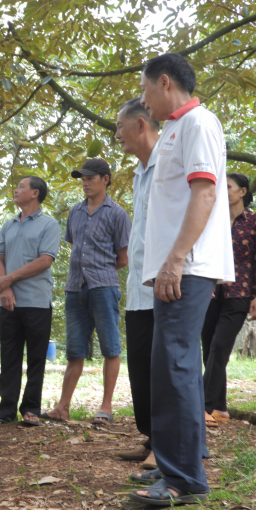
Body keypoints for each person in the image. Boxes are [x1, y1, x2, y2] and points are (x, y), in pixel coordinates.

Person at [130, 53, 233, 506]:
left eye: (145, 89)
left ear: (165, 82)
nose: (142, 99)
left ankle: (181, 479)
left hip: (188, 268)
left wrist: (175, 260)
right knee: (172, 368)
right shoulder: (173, 128)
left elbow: (206, 191)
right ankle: (179, 471)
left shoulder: (198, 124)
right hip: (173, 269)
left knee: (173, 366)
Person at [42, 159, 131, 425]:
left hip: (103, 287)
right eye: (82, 177)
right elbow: (75, 247)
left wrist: (101, 271)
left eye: (91, 177)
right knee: (74, 351)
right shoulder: (76, 212)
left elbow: (123, 258)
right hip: (74, 288)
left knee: (110, 348)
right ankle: (62, 407)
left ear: (105, 179)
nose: (85, 181)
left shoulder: (117, 214)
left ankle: (105, 406)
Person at [0, 176, 61, 426]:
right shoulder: (8, 224)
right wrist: (4, 289)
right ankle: (5, 411)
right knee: (9, 356)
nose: (16, 190)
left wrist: (9, 278)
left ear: (35, 193)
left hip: (37, 301)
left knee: (36, 358)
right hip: (9, 302)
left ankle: (31, 409)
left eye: (21, 187)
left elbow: (45, 261)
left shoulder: (49, 224)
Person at [113, 98, 159, 469]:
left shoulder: (168, 165)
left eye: (120, 128)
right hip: (138, 292)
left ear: (140, 125)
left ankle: (172, 446)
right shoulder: (140, 173)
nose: (116, 136)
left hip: (167, 287)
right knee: (140, 369)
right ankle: (151, 438)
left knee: (168, 370)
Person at [201, 174, 256, 427]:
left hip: (240, 293)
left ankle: (203, 406)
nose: (223, 190)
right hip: (211, 292)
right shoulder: (215, 220)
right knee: (209, 347)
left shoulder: (254, 221)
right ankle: (220, 408)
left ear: (243, 191)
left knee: (219, 348)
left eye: (229, 186)